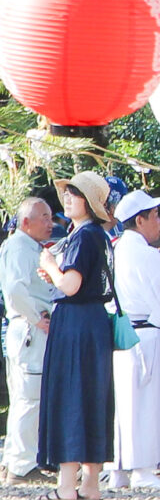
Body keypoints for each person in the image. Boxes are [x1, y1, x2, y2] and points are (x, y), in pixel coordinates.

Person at [37, 172, 119, 500]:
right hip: (92, 322)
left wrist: (51, 265)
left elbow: (69, 285)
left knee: (71, 395)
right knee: (93, 398)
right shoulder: (93, 235)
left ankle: (67, 485)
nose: (68, 199)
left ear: (89, 202)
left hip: (75, 323)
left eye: (75, 194)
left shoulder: (83, 237)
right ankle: (90, 484)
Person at [110, 193, 160, 490]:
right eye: (154, 216)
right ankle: (142, 469)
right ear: (139, 221)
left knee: (126, 403)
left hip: (126, 331)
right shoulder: (142, 253)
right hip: (146, 332)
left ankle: (119, 469)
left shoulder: (120, 248)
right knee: (146, 403)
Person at [1, 197, 56, 483]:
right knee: (29, 397)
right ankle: (22, 465)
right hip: (30, 328)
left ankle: (13, 459)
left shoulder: (26, 246)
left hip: (28, 327)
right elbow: (15, 289)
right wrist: (36, 318)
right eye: (44, 217)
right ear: (26, 222)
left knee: (25, 396)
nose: (50, 223)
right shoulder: (19, 246)